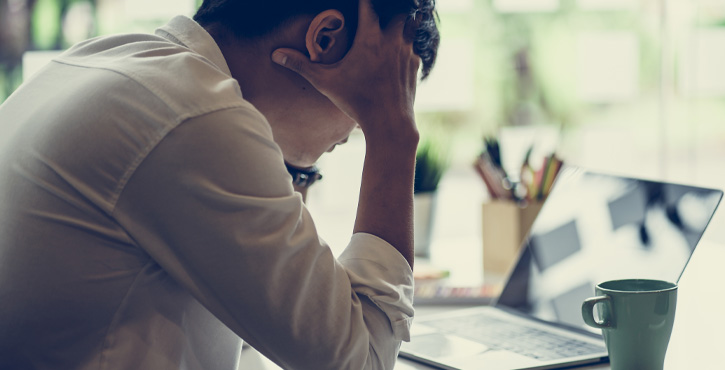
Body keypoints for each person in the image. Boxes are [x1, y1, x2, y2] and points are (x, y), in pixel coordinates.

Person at [0, 0, 439, 368]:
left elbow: (265, 328)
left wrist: (295, 166)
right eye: (383, 88)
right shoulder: (194, 114)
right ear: (325, 38)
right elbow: (362, 358)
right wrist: (394, 132)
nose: (351, 134)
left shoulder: (108, 61)